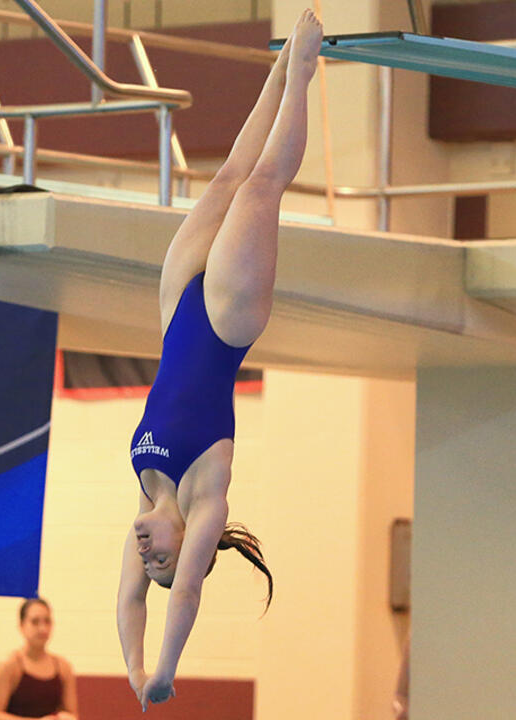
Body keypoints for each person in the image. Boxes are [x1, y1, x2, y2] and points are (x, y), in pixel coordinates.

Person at [117, 9, 323, 711]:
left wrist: (133, 672)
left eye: (150, 561)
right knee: (262, 183)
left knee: (231, 170)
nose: (147, 555)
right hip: (229, 318)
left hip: (177, 309)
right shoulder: (207, 499)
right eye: (161, 557)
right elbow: (188, 591)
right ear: (191, 543)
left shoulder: (146, 496)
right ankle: (303, 73)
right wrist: (167, 671)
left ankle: (279, 64)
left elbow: (129, 602)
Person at [0, 598, 79, 720]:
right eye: (35, 622)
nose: (42, 629)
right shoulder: (8, 666)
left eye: (47, 621)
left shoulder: (63, 667)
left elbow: (71, 714)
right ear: (22, 625)